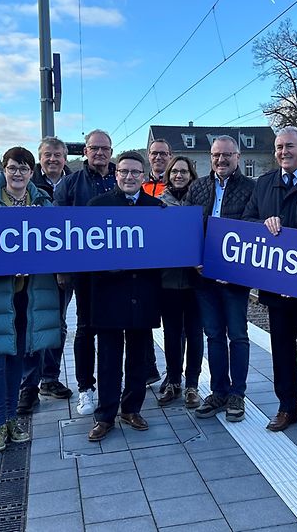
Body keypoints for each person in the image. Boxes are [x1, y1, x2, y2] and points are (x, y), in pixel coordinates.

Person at [0, 147, 60, 453]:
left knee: (17, 362)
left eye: (23, 169)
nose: (18, 174)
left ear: (31, 173)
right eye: (12, 168)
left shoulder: (44, 204)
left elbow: (58, 244)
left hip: (28, 298)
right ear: (4, 170)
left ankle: (11, 420)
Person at [243, 126, 297, 434]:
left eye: (289, 146)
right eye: (279, 147)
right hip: (276, 284)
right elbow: (247, 221)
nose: (283, 152)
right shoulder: (264, 184)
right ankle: (286, 406)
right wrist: (263, 223)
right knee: (281, 347)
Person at [85, 151, 164, 441]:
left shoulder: (157, 207)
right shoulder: (97, 206)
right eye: (124, 172)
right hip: (108, 293)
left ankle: (131, 408)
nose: (129, 177)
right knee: (108, 358)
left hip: (143, 293)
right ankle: (105, 415)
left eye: (135, 172)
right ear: (116, 174)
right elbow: (88, 253)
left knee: (138, 357)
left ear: (144, 177)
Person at [46, 129, 117, 418]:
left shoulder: (121, 178)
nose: (99, 153)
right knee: (85, 329)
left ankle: (113, 385)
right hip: (85, 272)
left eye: (104, 149)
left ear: (111, 151)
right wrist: (63, 269)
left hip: (117, 271)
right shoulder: (70, 184)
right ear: (84, 152)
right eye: (93, 148)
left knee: (114, 331)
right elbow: (57, 229)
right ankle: (86, 387)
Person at [187, 135, 255, 422]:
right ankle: (218, 391)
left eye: (227, 155)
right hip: (204, 276)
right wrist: (195, 260)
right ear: (210, 157)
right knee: (213, 335)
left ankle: (237, 393)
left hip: (235, 277)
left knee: (237, 335)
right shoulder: (198, 187)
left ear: (237, 157)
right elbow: (188, 228)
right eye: (216, 155)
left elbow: (255, 227)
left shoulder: (252, 187)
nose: (221, 160)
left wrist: (236, 267)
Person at [22, 136, 74, 404]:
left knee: (59, 323)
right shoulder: (29, 185)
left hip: (66, 268)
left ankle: (50, 378)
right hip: (37, 271)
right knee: (34, 322)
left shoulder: (74, 183)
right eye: (47, 155)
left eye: (57, 155)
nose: (52, 159)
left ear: (65, 157)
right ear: (39, 157)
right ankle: (28, 384)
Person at [157, 156, 203, 409]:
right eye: (175, 171)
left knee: (195, 333)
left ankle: (193, 384)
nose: (179, 175)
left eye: (184, 171)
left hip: (197, 281)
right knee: (172, 333)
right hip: (169, 280)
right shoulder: (158, 204)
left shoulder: (201, 202)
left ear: (191, 175)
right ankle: (173, 379)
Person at [139, 139, 173, 385]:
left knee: (174, 324)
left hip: (170, 265)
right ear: (148, 156)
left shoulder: (179, 182)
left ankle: (175, 374)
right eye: (154, 153)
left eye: (163, 153)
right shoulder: (139, 183)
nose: (158, 157)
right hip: (146, 265)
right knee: (143, 318)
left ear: (169, 156)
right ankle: (149, 367)